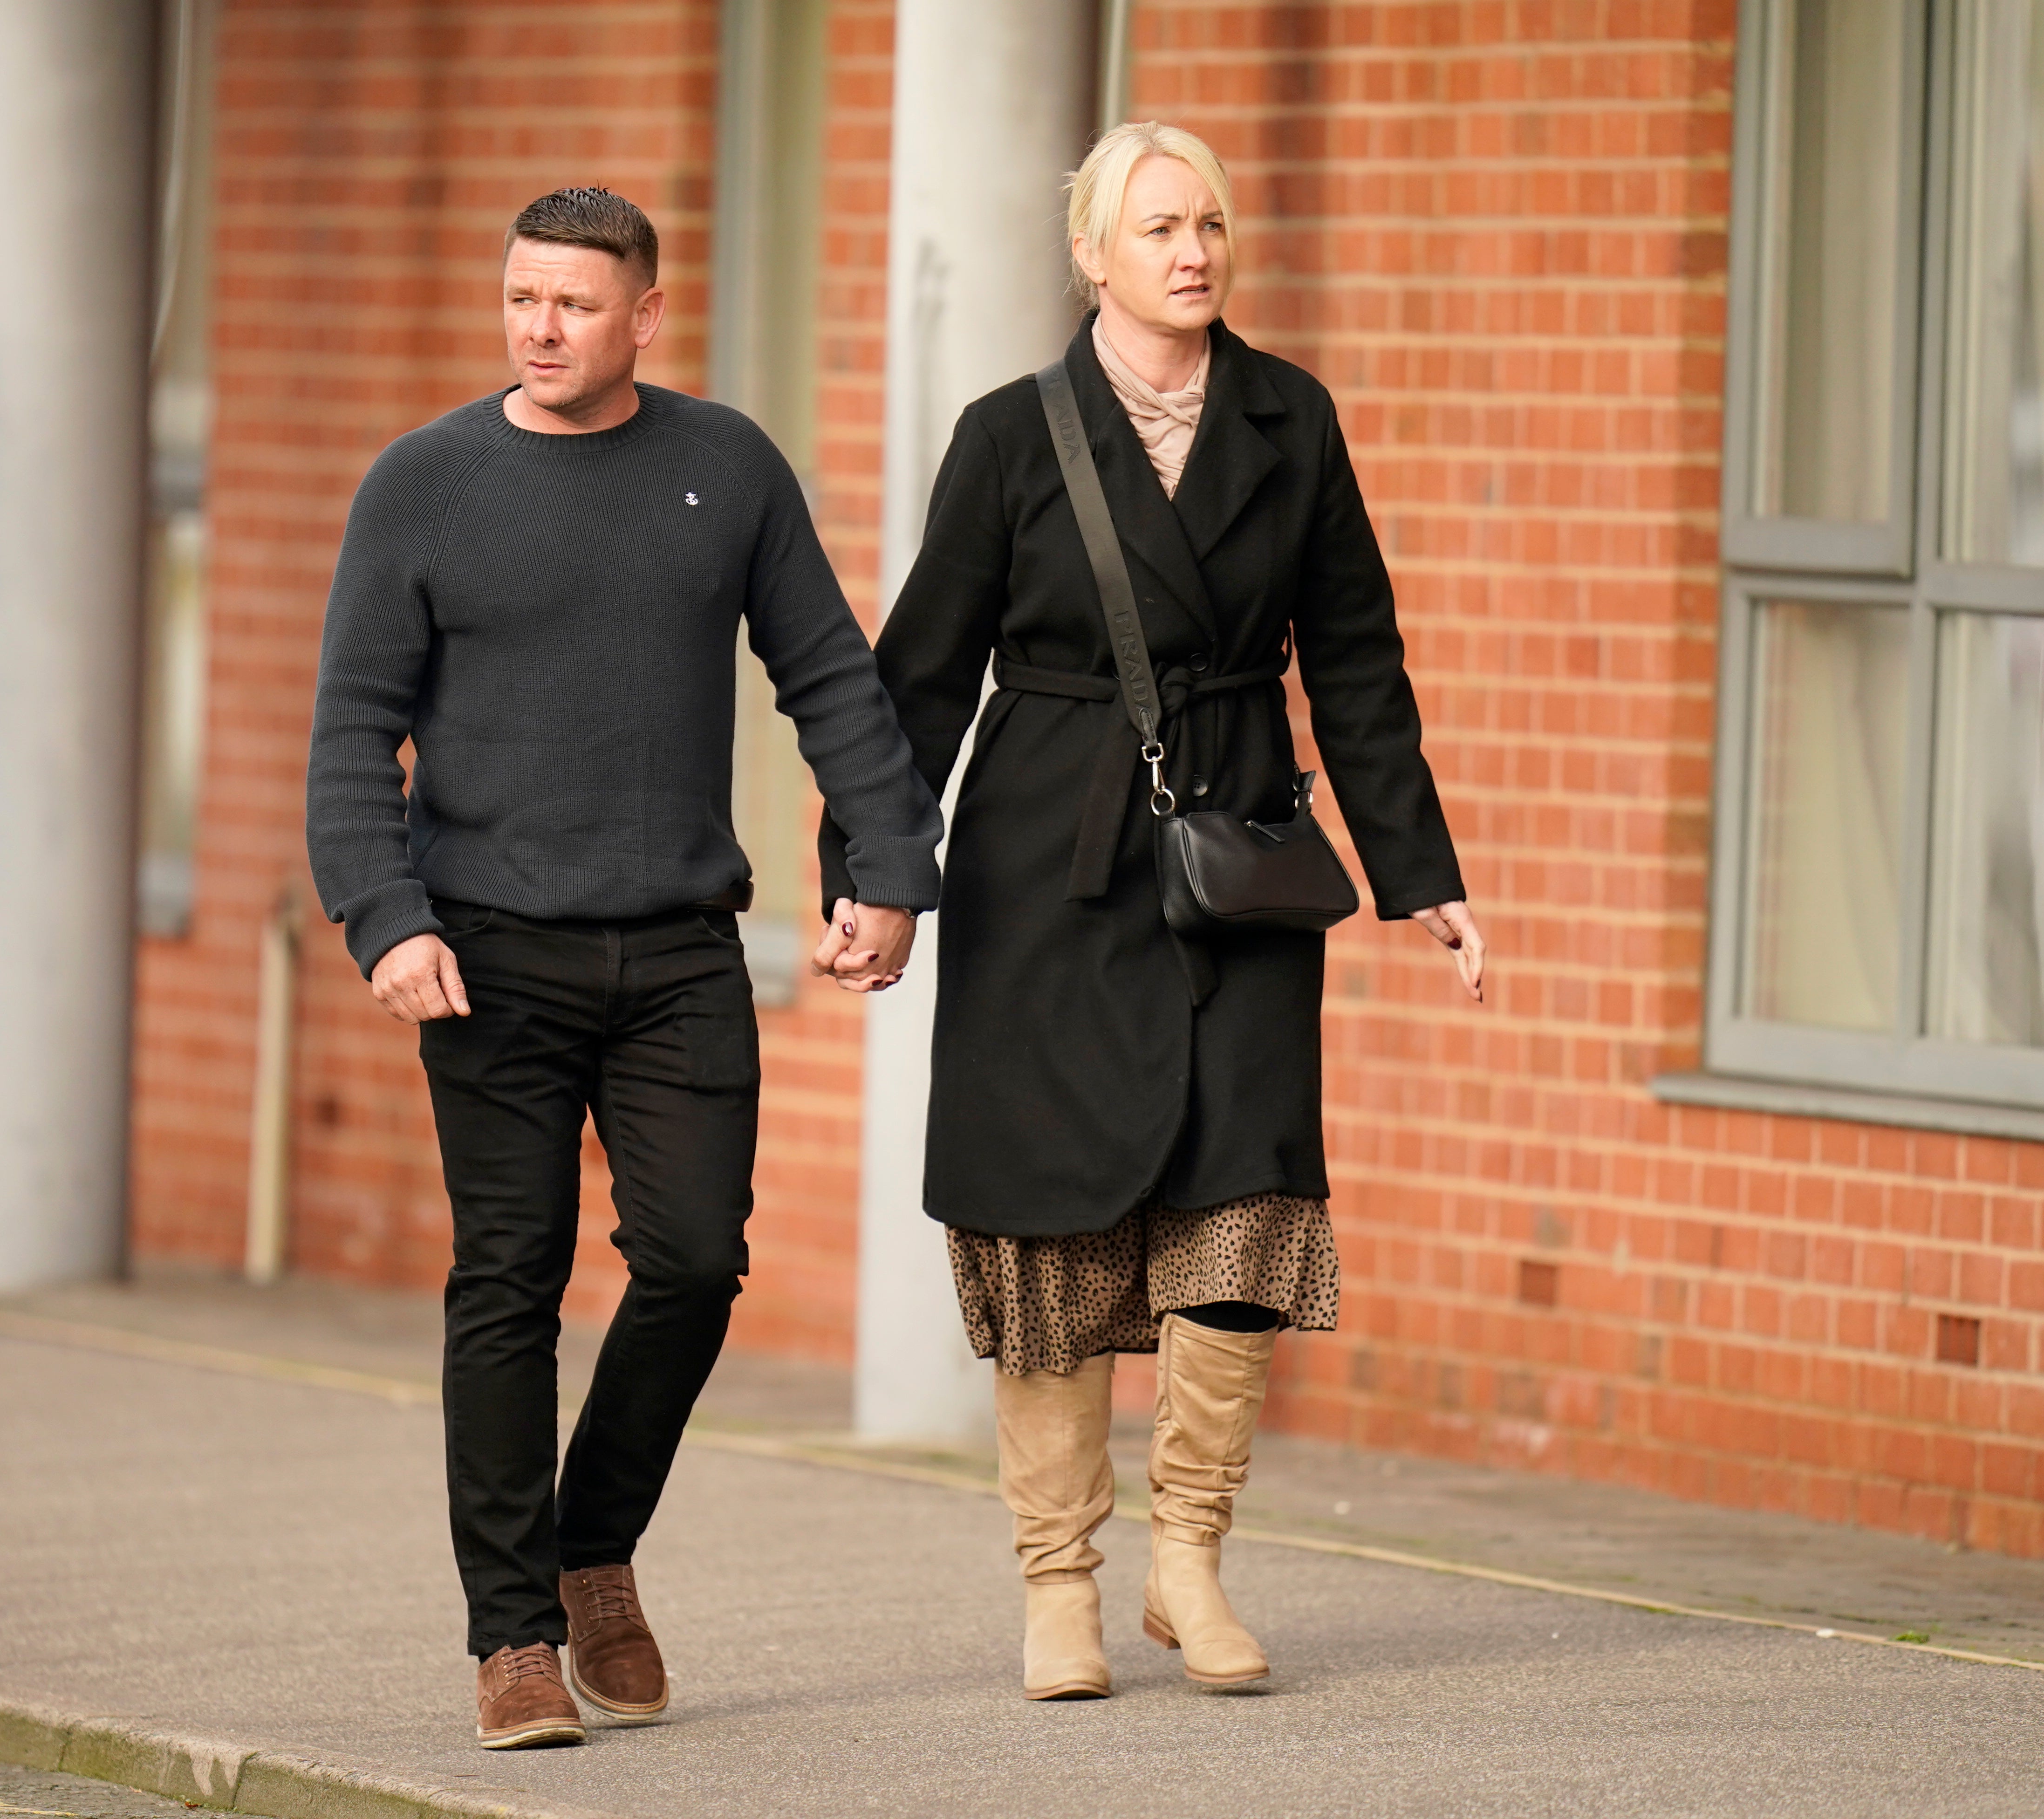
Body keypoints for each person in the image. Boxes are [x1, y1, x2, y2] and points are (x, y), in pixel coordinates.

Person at [820, 122, 1487, 1700]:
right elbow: (918, 676)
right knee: (1050, 1210)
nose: (1195, 250)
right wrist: (877, 879)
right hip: (1049, 856)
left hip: (1240, 849)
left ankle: (1190, 1556)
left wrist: (1423, 875)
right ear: (1091, 254)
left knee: (1245, 1194)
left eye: (1212, 223)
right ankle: (1060, 1583)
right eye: (1160, 226)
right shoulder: (1007, 436)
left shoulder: (1291, 418)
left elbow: (1362, 662)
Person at [307, 186, 937, 1750]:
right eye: (522, 296)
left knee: (697, 1261)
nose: (539, 327)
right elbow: (349, 734)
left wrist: (891, 873)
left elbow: (833, 681)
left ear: (645, 315)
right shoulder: (427, 485)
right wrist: (384, 917)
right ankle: (514, 1637)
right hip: (488, 958)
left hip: (677, 949)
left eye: (574, 304)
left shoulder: (725, 470)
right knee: (508, 1285)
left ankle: (594, 1544)